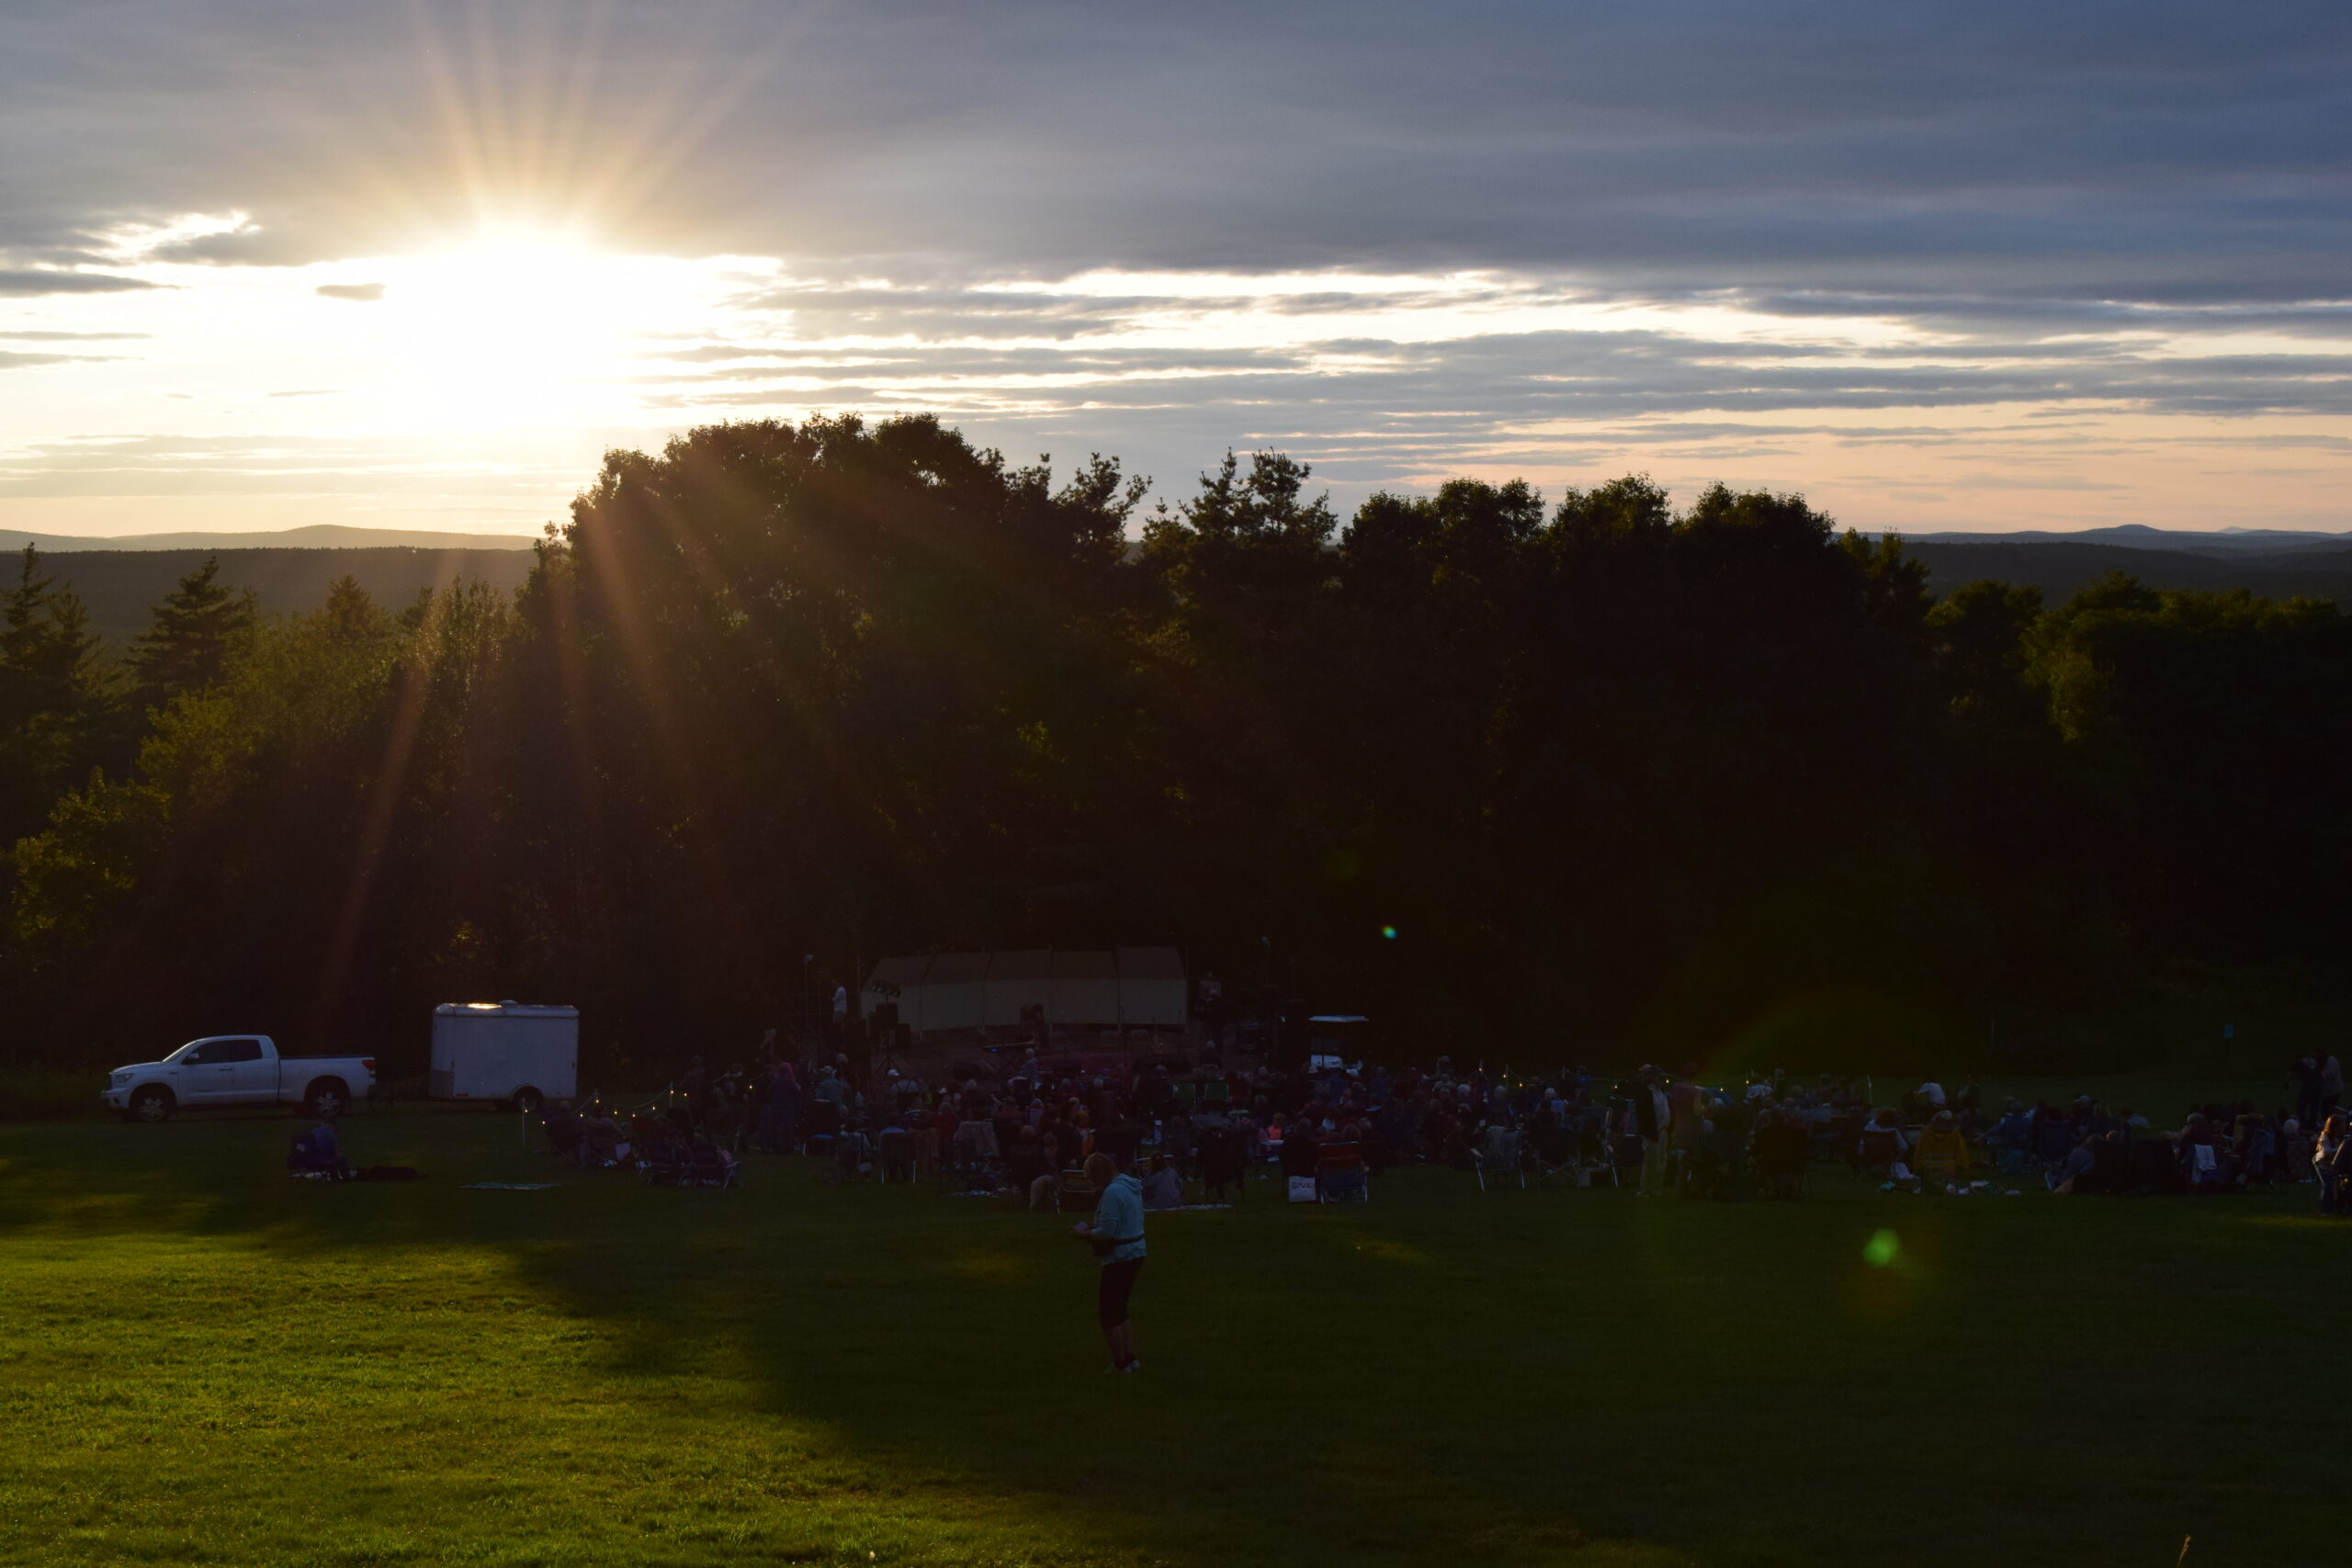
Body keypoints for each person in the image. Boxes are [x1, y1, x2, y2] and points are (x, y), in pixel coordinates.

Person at [1071, 1153, 1146, 1372]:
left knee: (1108, 1312)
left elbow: (1107, 1231)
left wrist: (1083, 1234)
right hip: (1136, 1250)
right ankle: (1130, 1357)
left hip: (1120, 1255)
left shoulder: (1113, 1193)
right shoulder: (1130, 1186)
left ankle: (1120, 1362)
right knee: (1120, 1308)